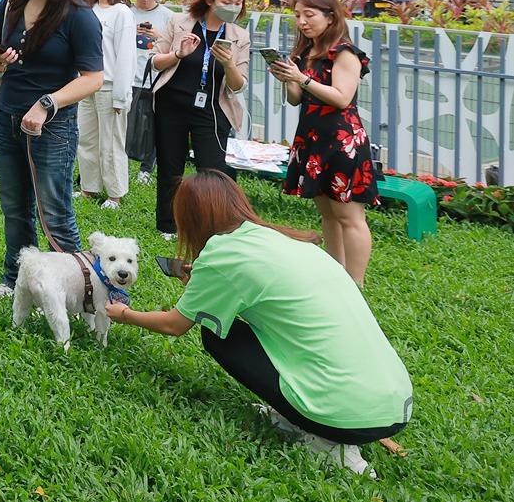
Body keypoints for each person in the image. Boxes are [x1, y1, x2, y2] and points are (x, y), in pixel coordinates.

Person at [105, 171, 411, 475]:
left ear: (191, 218)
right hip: (395, 404)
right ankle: (299, 415)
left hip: (344, 415)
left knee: (218, 336)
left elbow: (175, 324)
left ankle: (328, 441)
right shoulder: (279, 238)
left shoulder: (221, 255)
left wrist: (124, 315)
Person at [0, 0, 104, 300]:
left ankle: (79, 290)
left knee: (55, 212)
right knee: (14, 207)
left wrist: (48, 103)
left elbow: (93, 79)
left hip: (52, 128)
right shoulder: (15, 1)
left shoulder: (78, 16)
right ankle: (14, 279)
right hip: (9, 118)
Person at [269, 0, 376, 284]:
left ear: (330, 18)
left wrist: (302, 78)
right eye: (297, 15)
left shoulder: (344, 53)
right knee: (328, 214)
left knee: (350, 217)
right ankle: (335, 275)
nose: (302, 21)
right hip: (312, 139)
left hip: (341, 142)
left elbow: (342, 98)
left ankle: (356, 282)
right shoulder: (305, 54)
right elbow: (295, 99)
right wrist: (287, 78)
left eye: (309, 15)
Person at [149, 0, 251, 239]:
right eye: (227, 1)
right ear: (209, 0)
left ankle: (211, 224)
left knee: (213, 170)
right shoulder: (179, 22)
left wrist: (228, 63)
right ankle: (168, 224)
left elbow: (238, 85)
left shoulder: (239, 36)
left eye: (238, 3)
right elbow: (155, 62)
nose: (233, 7)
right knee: (171, 166)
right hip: (172, 104)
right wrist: (178, 54)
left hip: (213, 110)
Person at [78, 0, 136, 208]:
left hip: (110, 86)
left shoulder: (122, 12)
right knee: (86, 139)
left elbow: (125, 57)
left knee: (111, 142)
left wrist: (122, 96)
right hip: (85, 83)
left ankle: (115, 194)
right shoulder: (87, 9)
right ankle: (88, 187)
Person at [129, 0, 174, 185]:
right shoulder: (126, 13)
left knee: (152, 125)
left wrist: (159, 36)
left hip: (156, 79)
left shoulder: (168, 17)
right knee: (128, 124)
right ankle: (125, 161)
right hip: (130, 78)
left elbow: (177, 49)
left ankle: (147, 167)